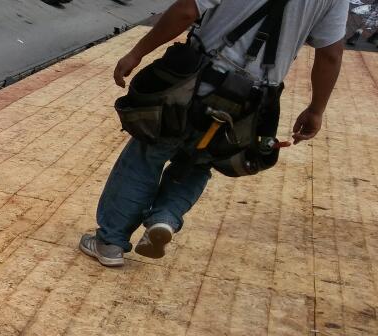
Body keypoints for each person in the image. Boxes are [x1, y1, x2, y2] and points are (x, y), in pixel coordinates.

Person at [79, 0, 349, 267]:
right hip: (251, 101)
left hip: (195, 80)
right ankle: (165, 218)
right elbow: (331, 54)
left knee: (148, 153)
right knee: (200, 161)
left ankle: (111, 242)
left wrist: (137, 52)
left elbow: (187, 10)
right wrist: (316, 109)